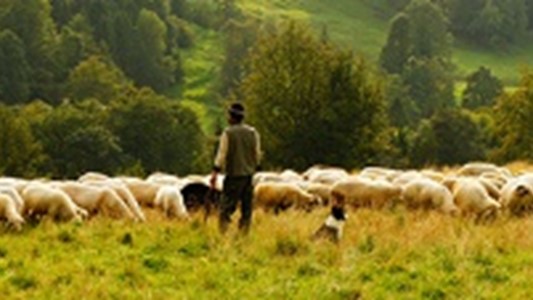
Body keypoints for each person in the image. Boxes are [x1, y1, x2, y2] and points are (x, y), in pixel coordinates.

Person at [210, 103, 261, 234]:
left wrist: (215, 172)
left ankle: (223, 235)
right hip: (248, 176)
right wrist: (253, 167)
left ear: (232, 117)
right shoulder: (253, 132)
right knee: (246, 209)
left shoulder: (228, 133)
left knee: (225, 208)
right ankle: (243, 235)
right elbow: (257, 154)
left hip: (233, 175)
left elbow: (222, 154)